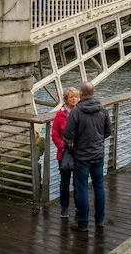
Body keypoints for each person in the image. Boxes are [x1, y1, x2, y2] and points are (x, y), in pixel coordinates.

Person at [64, 82, 112, 232]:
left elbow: (68, 134)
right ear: (93, 92)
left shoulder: (76, 111)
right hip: (98, 155)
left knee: (82, 188)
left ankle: (83, 223)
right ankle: (100, 220)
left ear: (81, 93)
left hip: (82, 156)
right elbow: (108, 131)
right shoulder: (103, 109)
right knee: (99, 187)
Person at [51, 87, 79, 218]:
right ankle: (65, 208)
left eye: (76, 96)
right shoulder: (60, 114)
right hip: (64, 153)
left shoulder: (80, 112)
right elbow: (55, 133)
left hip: (79, 152)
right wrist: (61, 145)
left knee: (78, 181)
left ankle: (79, 207)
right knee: (65, 182)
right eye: (71, 97)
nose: (74, 99)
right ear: (66, 99)